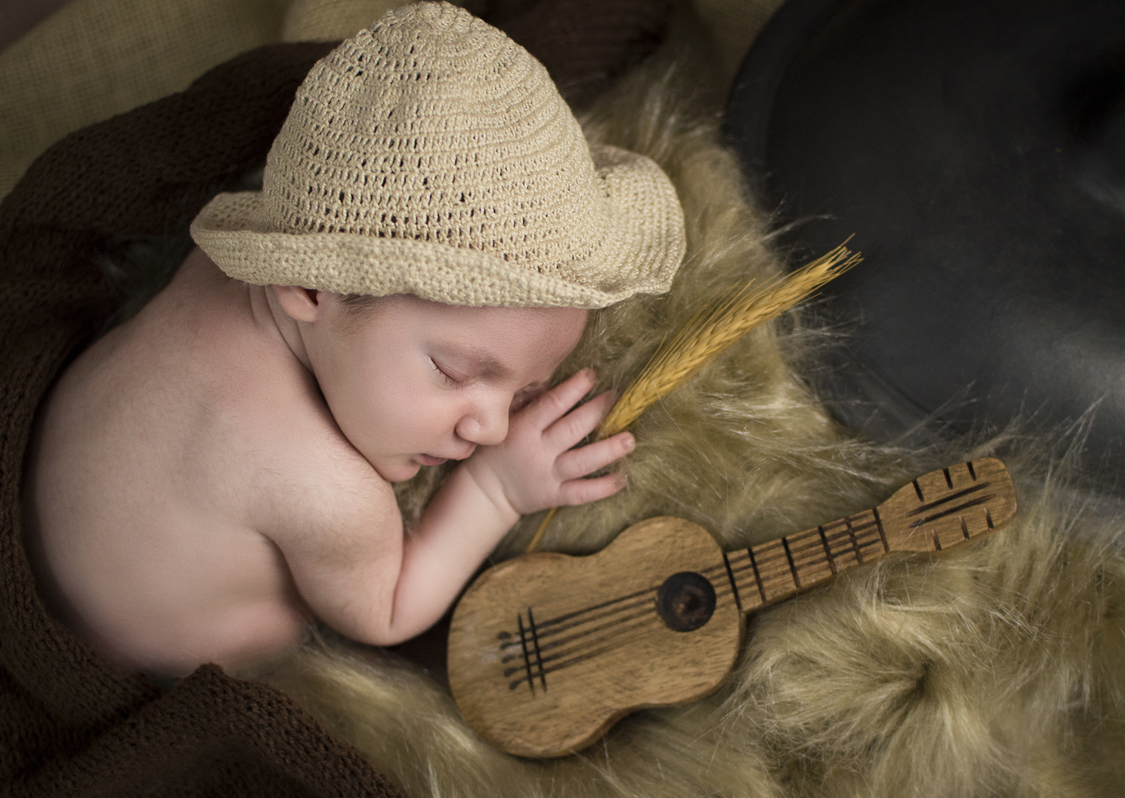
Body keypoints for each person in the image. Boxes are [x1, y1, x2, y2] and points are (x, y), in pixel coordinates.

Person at [21, 2, 685, 678]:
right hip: (119, 661)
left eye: (528, 388)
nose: (490, 429)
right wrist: (495, 491)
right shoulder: (325, 490)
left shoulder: (212, 266)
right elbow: (386, 612)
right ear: (308, 288)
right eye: (456, 372)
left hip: (52, 514)